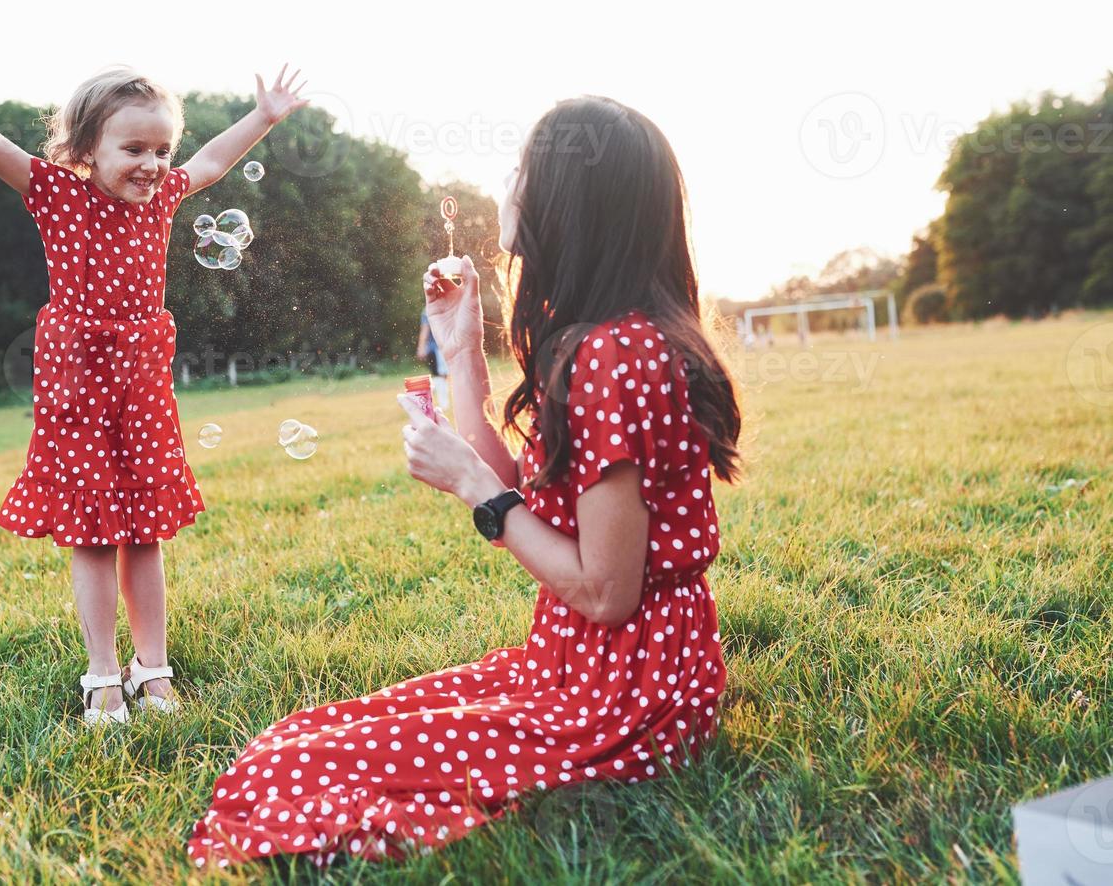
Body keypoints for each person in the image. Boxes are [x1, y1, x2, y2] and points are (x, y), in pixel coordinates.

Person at [188, 96, 743, 868]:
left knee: (295, 770)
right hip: (587, 662)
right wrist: (461, 353)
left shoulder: (616, 355)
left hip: (620, 693)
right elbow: (538, 492)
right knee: (306, 740)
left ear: (567, 204)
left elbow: (605, 590)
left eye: (521, 171)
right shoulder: (607, 341)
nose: (508, 186)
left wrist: (478, 491)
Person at [0, 0, 309, 725]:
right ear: (85, 150)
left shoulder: (167, 195)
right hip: (79, 377)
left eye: (159, 148)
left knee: (145, 528)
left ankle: (155, 670)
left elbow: (209, 161)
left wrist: (262, 117)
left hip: (141, 377)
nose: (151, 163)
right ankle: (103, 675)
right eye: (133, 148)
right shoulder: (56, 194)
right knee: (93, 529)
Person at [416, 309, 451, 416]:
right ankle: (442, 404)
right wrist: (421, 347)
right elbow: (425, 330)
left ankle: (422, 397)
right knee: (439, 376)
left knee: (441, 376)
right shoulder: (428, 311)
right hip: (436, 349)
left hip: (440, 348)